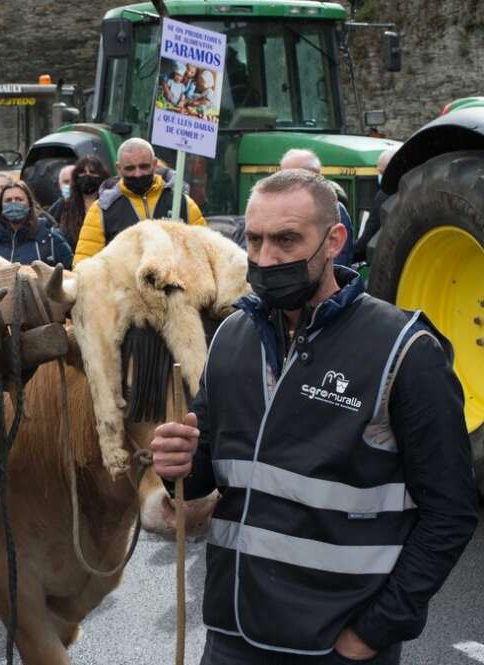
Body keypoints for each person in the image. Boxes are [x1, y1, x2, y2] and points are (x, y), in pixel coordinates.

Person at [150, 169, 478, 665]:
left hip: (337, 646)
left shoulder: (404, 350)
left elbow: (450, 512)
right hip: (231, 635)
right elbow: (202, 476)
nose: (264, 258)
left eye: (286, 240)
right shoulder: (231, 338)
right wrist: (177, 460)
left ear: (334, 241)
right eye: (254, 239)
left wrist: (374, 632)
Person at [73, 138, 205, 267]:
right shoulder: (102, 209)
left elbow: (205, 253)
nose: (138, 174)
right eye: (130, 168)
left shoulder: (182, 203)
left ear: (154, 164)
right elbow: (83, 265)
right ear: (119, 168)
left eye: (144, 167)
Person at [280, 148, 355, 265]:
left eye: (287, 176)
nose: (281, 182)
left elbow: (339, 263)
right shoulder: (278, 209)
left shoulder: (335, 211)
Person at [0, 180, 73, 267]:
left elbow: (70, 270)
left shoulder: (49, 238)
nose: (13, 203)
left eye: (19, 199)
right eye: (8, 200)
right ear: (1, 206)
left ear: (29, 203)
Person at [53, 155, 110, 250]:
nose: (87, 175)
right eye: (82, 172)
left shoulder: (109, 204)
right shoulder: (64, 205)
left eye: (92, 172)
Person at [355, 147, 398, 263]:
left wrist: (352, 253)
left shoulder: (385, 195)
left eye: (382, 172)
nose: (380, 175)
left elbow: (371, 232)